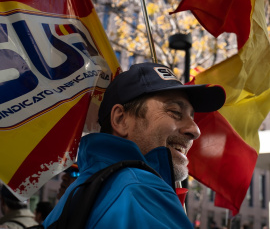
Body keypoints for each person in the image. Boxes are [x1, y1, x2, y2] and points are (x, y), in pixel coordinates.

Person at [43, 62, 226, 228]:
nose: (195, 130)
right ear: (121, 119)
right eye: (175, 112)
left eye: (192, 117)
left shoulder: (77, 193)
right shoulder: (140, 190)